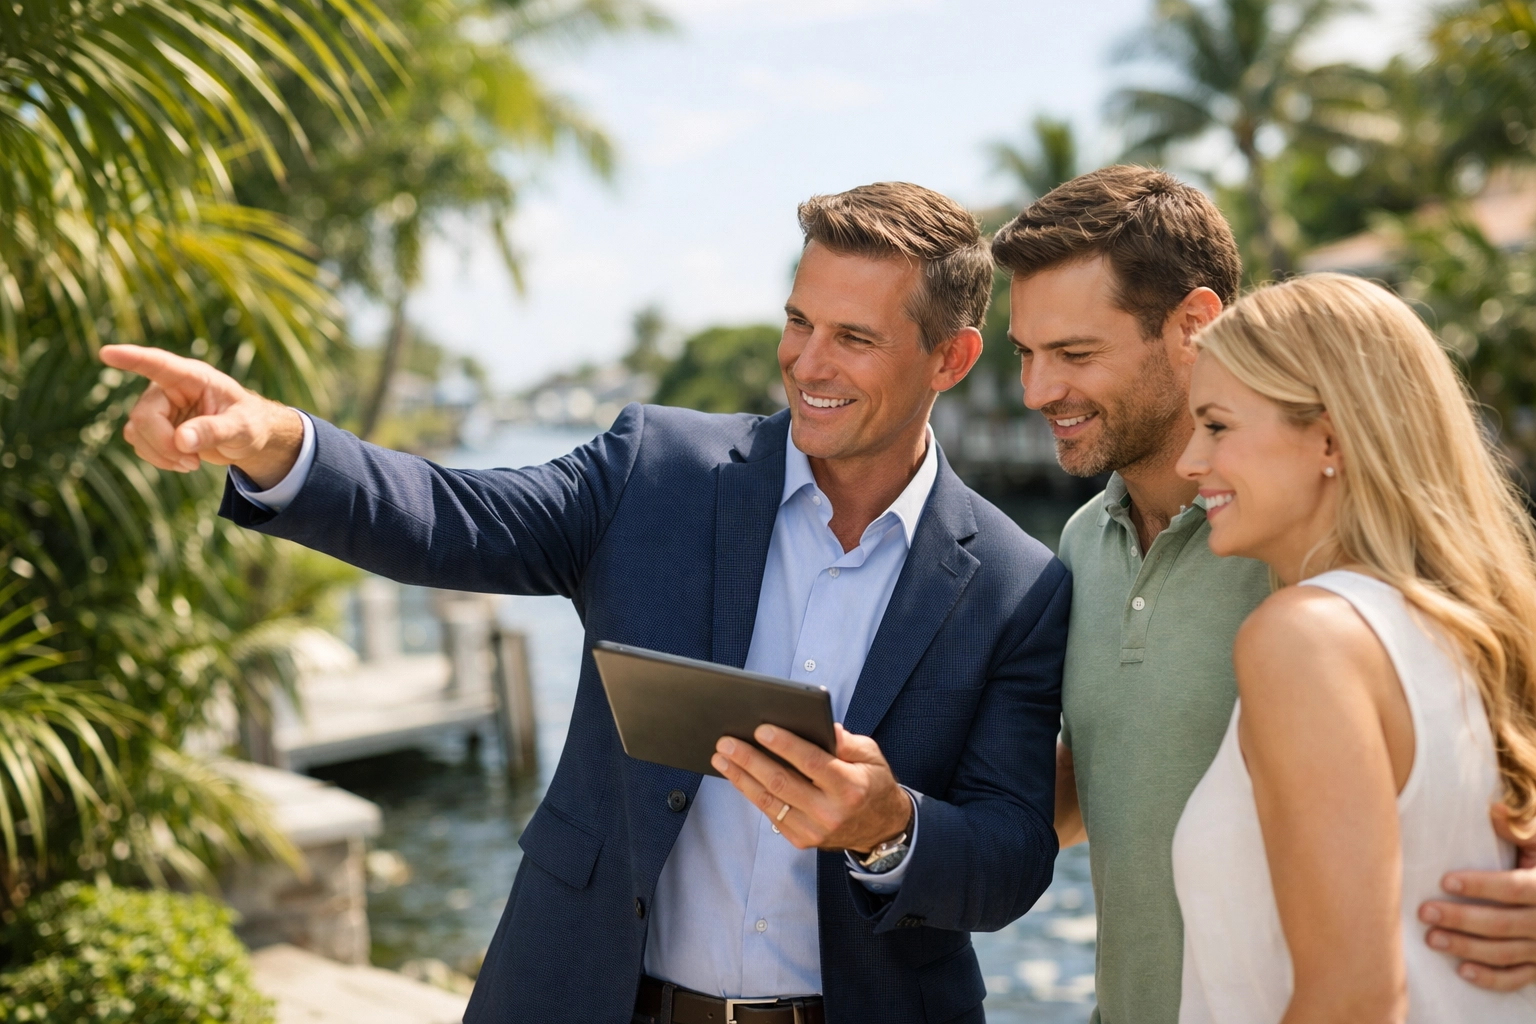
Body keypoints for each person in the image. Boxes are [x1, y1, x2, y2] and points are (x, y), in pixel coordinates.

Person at [101, 182, 1071, 1024]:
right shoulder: (657, 469)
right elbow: (451, 517)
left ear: (951, 359)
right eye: (797, 322)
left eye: (853, 338)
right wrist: (275, 441)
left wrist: (888, 825)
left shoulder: (1015, 583)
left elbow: (1013, 854)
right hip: (585, 993)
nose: (808, 363)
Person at [991, 165, 1536, 1024]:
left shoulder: (1308, 578)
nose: (1037, 391)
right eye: (1026, 353)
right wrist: (902, 818)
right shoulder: (1083, 545)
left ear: (1194, 324)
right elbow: (1112, 776)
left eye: (1075, 354)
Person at [1171, 273, 1536, 1022]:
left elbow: (1354, 1003)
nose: (1190, 462)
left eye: (1217, 426)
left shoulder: (1304, 639)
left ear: (1331, 439)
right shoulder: (1482, 635)